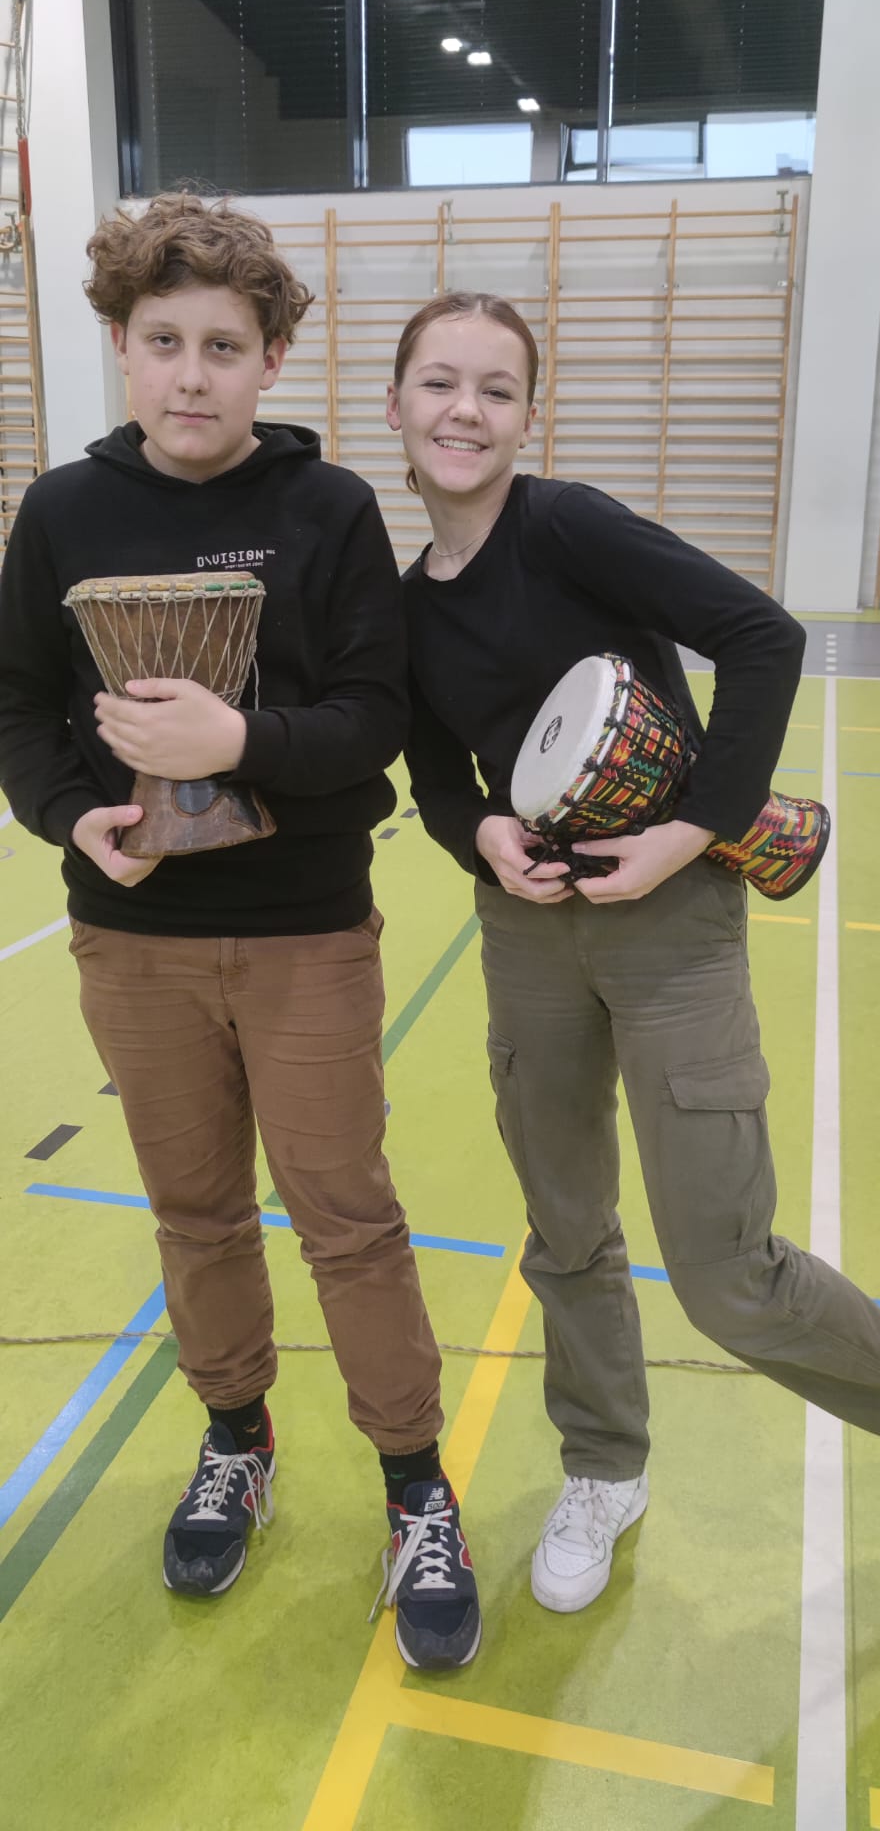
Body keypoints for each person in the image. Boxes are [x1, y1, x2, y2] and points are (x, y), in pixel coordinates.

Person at [387, 288, 880, 1616]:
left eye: (496, 389)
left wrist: (692, 832)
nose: (465, 410)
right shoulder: (404, 607)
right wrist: (480, 837)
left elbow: (763, 637)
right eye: (440, 382)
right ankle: (602, 1468)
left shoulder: (566, 525)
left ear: (526, 415)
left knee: (725, 1270)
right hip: (526, 936)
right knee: (565, 1231)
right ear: (395, 403)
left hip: (671, 926)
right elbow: (438, 775)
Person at [0, 198, 480, 1671]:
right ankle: (235, 1435)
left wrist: (237, 742)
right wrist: (72, 818)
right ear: (122, 348)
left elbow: (374, 722)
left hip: (302, 937)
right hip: (131, 938)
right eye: (164, 342)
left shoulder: (327, 510)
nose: (192, 374)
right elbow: (19, 708)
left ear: (272, 360)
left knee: (346, 1216)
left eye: (224, 346)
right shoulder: (62, 513)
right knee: (195, 1211)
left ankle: (414, 1483)